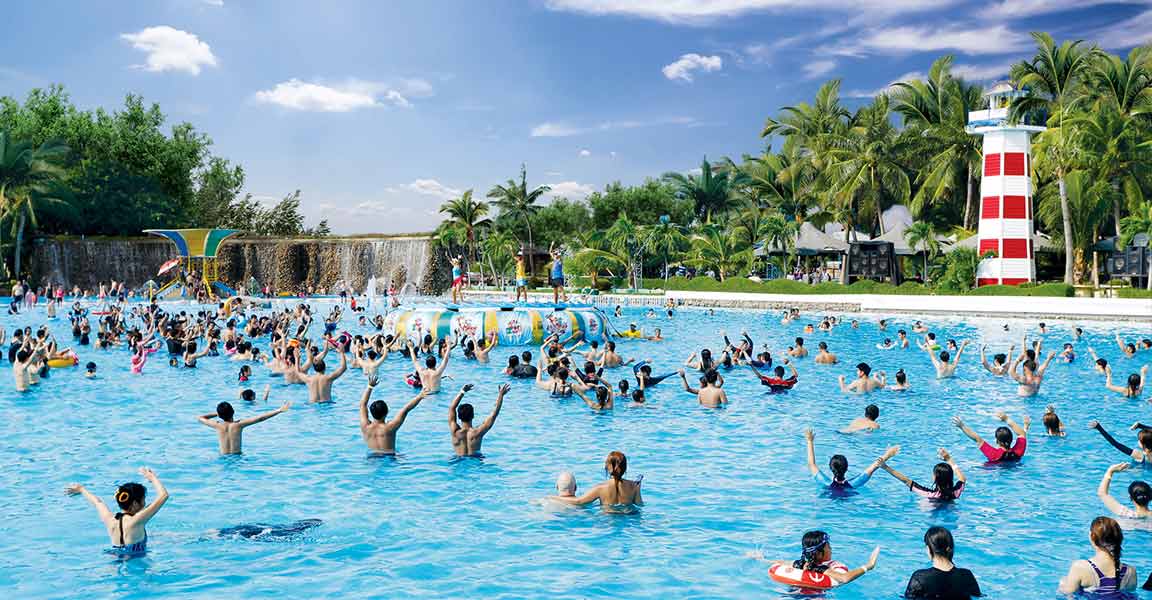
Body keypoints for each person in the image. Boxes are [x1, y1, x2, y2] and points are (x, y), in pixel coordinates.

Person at [66, 467, 169, 556]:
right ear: (135, 504)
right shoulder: (137, 520)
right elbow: (163, 495)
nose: (145, 503)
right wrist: (152, 478)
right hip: (137, 561)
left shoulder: (110, 520)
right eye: (143, 500)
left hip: (116, 556)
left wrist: (81, 489)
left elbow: (98, 502)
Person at [747, 531, 879, 586]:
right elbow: (845, 578)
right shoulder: (822, 569)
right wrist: (868, 565)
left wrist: (761, 559)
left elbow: (780, 563)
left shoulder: (799, 564)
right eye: (829, 547)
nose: (831, 549)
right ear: (820, 554)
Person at [1057, 516, 1138, 594]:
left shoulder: (1080, 567)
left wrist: (1062, 585)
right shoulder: (1130, 572)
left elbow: (1069, 595)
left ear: (1092, 536)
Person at [198, 391, 291, 455]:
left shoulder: (217, 425)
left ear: (219, 415)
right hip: (238, 458)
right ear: (233, 412)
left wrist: (218, 414)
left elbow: (200, 417)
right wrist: (279, 410)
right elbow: (260, 418)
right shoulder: (238, 425)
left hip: (223, 458)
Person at [548, 451, 642, 512]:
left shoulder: (601, 488)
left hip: (608, 521)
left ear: (607, 468)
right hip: (628, 519)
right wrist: (637, 488)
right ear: (625, 468)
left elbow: (579, 501)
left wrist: (553, 497)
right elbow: (639, 505)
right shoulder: (634, 486)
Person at [805, 428, 897, 490]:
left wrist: (809, 441)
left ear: (830, 468)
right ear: (847, 468)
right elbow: (875, 465)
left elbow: (811, 464)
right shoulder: (855, 483)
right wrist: (888, 454)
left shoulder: (825, 483)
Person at [904, 527, 982, 599]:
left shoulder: (920, 578)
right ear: (950, 547)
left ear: (928, 549)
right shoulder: (967, 575)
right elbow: (977, 596)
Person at [359, 374, 428, 455]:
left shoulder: (365, 427)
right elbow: (405, 410)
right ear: (387, 412)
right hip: (390, 457)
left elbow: (362, 405)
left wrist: (370, 386)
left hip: (372, 458)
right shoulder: (390, 427)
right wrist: (419, 396)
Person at [879, 448, 966, 501]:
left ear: (935, 477)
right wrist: (949, 459)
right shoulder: (955, 492)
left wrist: (885, 467)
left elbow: (905, 480)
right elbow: (962, 478)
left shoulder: (927, 493)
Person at [449, 383, 508, 457]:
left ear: (459, 416)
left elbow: (452, 408)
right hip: (475, 461)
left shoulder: (455, 432)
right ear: (473, 416)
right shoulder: (478, 432)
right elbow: (494, 414)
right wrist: (501, 395)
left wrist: (462, 392)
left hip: (458, 460)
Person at [952, 412, 1029, 463]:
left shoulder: (994, 454)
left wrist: (962, 426)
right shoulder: (1018, 452)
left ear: (997, 441)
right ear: (1011, 439)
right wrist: (1007, 419)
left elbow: (977, 438)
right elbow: (1022, 434)